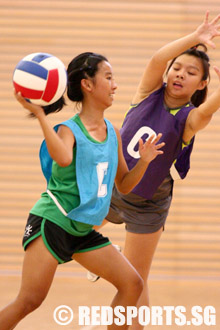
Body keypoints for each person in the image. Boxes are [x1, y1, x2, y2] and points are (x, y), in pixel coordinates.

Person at [0, 52, 165, 329]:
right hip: (52, 222)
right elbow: (63, 158)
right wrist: (40, 115)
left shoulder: (113, 132)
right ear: (87, 85)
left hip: (81, 230)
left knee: (132, 284)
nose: (115, 85)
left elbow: (124, 184)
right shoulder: (68, 130)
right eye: (109, 78)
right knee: (29, 301)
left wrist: (145, 162)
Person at [88, 11, 220, 329]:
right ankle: (108, 257)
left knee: (136, 283)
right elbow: (157, 58)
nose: (179, 74)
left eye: (190, 73)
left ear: (202, 83)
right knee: (66, 230)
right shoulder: (147, 94)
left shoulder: (188, 118)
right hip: (114, 184)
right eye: (176, 68)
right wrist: (196, 35)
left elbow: (204, 115)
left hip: (148, 201)